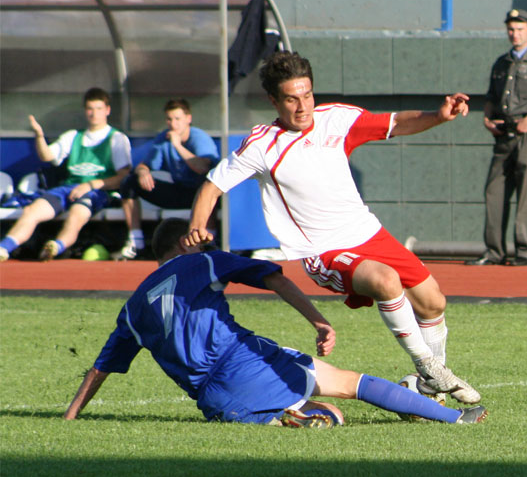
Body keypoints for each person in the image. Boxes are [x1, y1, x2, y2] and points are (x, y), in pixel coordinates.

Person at [184, 51, 481, 406]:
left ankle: (428, 390)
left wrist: (438, 116)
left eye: (307, 95)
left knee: (433, 303)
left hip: (369, 233)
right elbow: (212, 186)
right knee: (385, 281)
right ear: (274, 101)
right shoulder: (262, 144)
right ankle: (428, 366)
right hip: (322, 251)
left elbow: (395, 123)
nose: (302, 106)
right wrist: (197, 226)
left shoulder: (336, 119)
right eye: (291, 99)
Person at [64, 218, 488, 426]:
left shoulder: (134, 306)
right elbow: (273, 276)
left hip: (214, 401)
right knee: (349, 385)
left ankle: (288, 414)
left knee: (331, 414)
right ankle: (453, 418)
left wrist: (70, 417)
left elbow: (101, 368)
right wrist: (319, 321)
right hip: (243, 361)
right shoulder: (202, 261)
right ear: (186, 243)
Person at [466, 9, 527, 267]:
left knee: (526, 194)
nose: (515, 33)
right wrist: (487, 119)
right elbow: (490, 98)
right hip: (503, 135)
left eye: (520, 29)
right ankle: (493, 251)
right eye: (511, 29)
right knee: (494, 191)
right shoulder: (502, 63)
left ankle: (524, 251)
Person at [0, 88, 131, 262]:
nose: (94, 114)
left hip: (97, 191)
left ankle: (56, 246)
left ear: (107, 110)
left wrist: (91, 185)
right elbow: (48, 156)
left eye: (99, 109)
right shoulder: (73, 136)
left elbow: (123, 176)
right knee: (32, 210)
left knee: (77, 214)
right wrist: (39, 136)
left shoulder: (117, 139)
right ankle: (4, 248)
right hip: (67, 189)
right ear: (85, 111)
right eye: (90, 109)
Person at [114, 99, 219, 260]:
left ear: (188, 119)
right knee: (130, 182)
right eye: (169, 119)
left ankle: (210, 242)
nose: (173, 124)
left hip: (202, 194)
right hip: (179, 191)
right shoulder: (164, 137)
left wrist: (178, 146)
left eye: (177, 119)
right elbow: (145, 165)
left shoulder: (199, 138)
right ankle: (137, 241)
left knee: (208, 184)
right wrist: (143, 172)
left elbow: (203, 167)